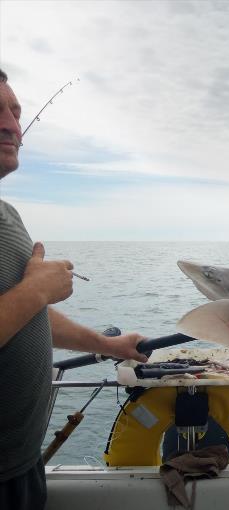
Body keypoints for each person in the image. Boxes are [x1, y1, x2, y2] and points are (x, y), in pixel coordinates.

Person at [0, 68, 148, 510]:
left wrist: (107, 344)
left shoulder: (7, 216)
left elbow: (27, 313)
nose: (11, 125)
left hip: (19, 465)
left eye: (15, 112)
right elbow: (28, 302)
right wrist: (35, 291)